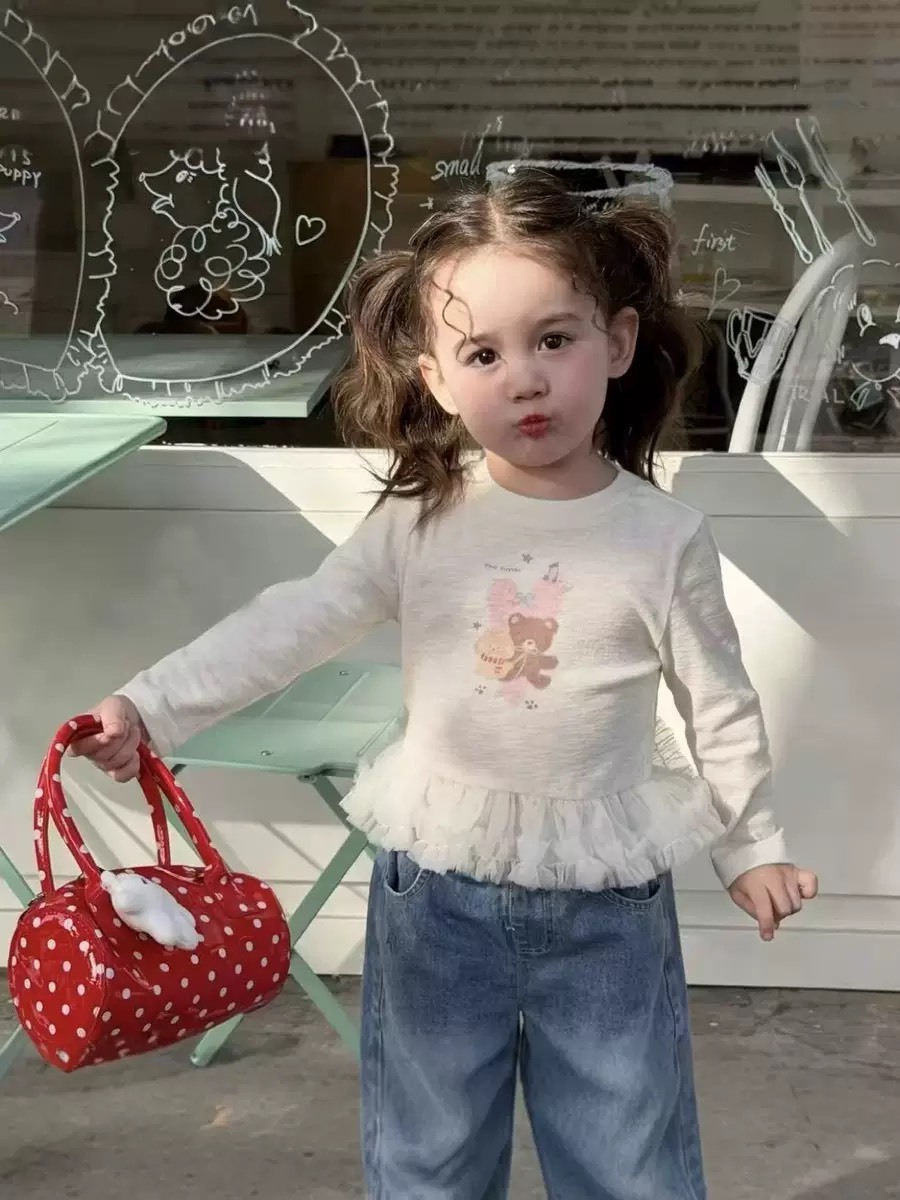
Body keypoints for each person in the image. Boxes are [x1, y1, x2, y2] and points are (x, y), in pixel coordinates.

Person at [72, 169, 818, 1200]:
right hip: (437, 892)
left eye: (553, 339)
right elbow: (289, 624)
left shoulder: (663, 538)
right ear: (436, 376)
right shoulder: (420, 524)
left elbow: (719, 704)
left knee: (628, 1158)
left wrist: (753, 844)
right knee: (429, 1158)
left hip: (605, 899)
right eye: (484, 354)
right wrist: (150, 705)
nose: (526, 380)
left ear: (617, 342)